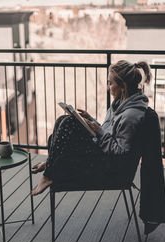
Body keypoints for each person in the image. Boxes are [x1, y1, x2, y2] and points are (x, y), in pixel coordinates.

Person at [31, 60, 152, 196]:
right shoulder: (120, 104)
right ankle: (51, 167)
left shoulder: (131, 115)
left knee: (68, 124)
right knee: (62, 121)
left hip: (109, 166)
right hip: (102, 154)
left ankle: (49, 173)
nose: (108, 87)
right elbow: (109, 133)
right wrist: (91, 120)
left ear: (123, 86)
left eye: (110, 83)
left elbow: (121, 152)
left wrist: (98, 131)